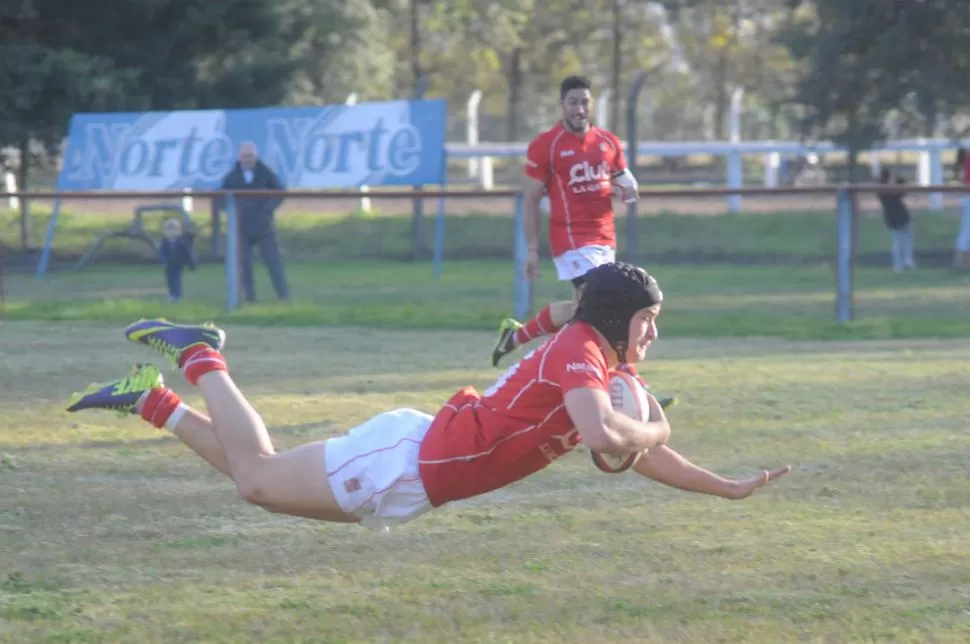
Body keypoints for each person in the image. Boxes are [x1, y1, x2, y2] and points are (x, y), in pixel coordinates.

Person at [65, 262, 790, 531]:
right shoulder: (579, 352)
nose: (654, 334)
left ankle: (151, 400)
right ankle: (199, 352)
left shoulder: (601, 366)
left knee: (261, 480)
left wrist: (724, 488)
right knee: (258, 477)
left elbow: (630, 448)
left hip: (419, 473)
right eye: (648, 321)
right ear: (615, 318)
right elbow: (611, 440)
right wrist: (654, 432)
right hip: (409, 458)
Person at [490, 75, 640, 370]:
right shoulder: (546, 146)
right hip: (571, 240)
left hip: (604, 239)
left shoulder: (609, 142)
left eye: (584, 102)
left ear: (592, 104)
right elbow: (531, 200)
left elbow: (625, 183)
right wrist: (532, 250)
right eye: (573, 102)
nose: (579, 109)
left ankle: (516, 338)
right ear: (562, 106)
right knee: (603, 308)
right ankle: (628, 380)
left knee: (581, 312)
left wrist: (629, 190)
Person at [219, 142, 290, 301]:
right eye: (244, 156)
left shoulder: (265, 173)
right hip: (242, 227)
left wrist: (268, 208)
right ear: (239, 157)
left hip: (264, 226)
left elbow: (280, 192)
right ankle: (250, 297)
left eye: (250, 156)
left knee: (273, 262)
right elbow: (221, 199)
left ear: (256, 156)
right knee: (244, 264)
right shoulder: (232, 177)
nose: (247, 159)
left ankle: (283, 295)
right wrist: (233, 213)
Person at [875, 168, 915, 273]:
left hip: (902, 215)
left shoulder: (896, 185)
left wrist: (896, 178)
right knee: (897, 241)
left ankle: (907, 260)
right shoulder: (882, 190)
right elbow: (891, 190)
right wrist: (892, 180)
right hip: (893, 217)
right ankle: (898, 265)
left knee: (907, 238)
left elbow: (904, 189)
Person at [158, 217, 198, 303]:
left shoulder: (181, 242)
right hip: (168, 264)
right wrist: (162, 261)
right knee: (170, 280)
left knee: (176, 279)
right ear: (165, 232)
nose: (171, 232)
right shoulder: (165, 242)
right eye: (169, 230)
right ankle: (172, 294)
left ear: (178, 231)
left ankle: (177, 295)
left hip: (178, 264)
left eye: (174, 230)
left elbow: (187, 253)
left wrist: (192, 264)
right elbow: (162, 253)